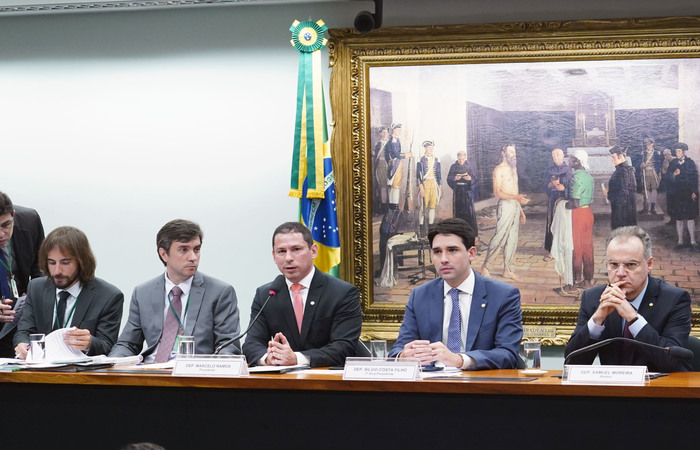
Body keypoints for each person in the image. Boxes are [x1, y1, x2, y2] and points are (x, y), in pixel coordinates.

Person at [388, 218, 522, 369]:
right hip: (430, 385)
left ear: (471, 253)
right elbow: (398, 349)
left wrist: (459, 360)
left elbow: (508, 355)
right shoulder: (419, 295)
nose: (443, 259)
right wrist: (403, 356)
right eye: (437, 252)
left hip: (481, 385)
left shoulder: (503, 295)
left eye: (452, 250)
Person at [109, 219, 240, 361]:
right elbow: (128, 344)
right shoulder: (142, 293)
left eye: (196, 249)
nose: (193, 257)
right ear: (164, 254)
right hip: (150, 372)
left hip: (195, 374)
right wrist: (110, 363)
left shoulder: (220, 292)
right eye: (184, 249)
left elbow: (228, 346)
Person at [565, 226, 691, 372]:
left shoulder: (674, 299)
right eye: (613, 265)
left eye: (630, 265)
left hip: (658, 391)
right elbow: (571, 363)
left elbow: (672, 362)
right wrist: (598, 318)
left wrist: (633, 318)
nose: (620, 273)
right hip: (613, 391)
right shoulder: (593, 298)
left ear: (649, 264)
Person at [243, 222, 362, 367]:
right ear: (274, 256)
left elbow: (344, 347)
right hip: (280, 384)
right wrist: (269, 358)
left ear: (313, 251)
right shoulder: (267, 294)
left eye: (296, 249)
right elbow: (251, 344)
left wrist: (297, 359)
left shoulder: (342, 293)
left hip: (326, 382)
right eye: (281, 251)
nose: (288, 258)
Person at [13, 226, 123, 358]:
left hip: (80, 375)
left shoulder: (109, 296)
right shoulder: (36, 288)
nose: (57, 271)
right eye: (52, 263)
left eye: (65, 263)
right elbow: (24, 331)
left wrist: (89, 343)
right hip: (39, 372)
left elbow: (108, 344)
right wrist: (22, 344)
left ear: (82, 261)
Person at [0, 192, 45, 358]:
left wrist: (35, 298)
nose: (1, 234)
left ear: (13, 215)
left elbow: (41, 268)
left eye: (6, 225)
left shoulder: (30, 221)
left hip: (20, 324)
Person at [480, 143, 530, 281]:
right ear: (503, 153)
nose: (513, 154)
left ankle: (508, 269)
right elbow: (497, 192)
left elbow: (515, 191)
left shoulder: (513, 169)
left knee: (512, 239)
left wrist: (521, 211)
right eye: (510, 152)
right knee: (500, 236)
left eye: (514, 152)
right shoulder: (498, 170)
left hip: (514, 205)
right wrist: (516, 198)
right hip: (505, 205)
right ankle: (486, 267)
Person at [566, 149, 595, 289]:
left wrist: (562, 204)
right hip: (588, 213)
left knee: (575, 247)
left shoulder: (576, 177)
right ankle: (588, 280)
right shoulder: (589, 177)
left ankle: (573, 281)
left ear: (577, 161)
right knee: (587, 247)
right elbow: (588, 202)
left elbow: (575, 203)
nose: (569, 160)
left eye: (571, 158)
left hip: (577, 214)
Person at [666, 142, 699, 250]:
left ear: (684, 152)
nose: (677, 153)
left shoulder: (690, 163)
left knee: (690, 217)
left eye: (679, 151)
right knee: (679, 218)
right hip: (677, 194)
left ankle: (693, 241)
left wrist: (694, 191)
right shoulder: (673, 163)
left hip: (688, 193)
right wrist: (673, 175)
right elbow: (667, 178)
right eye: (676, 151)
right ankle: (680, 241)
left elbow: (694, 178)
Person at [541, 148, 572, 261]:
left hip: (563, 200)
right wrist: (551, 184)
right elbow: (544, 186)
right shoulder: (549, 170)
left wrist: (563, 188)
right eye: (553, 155)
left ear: (563, 156)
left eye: (557, 154)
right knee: (552, 223)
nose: (555, 157)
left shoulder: (568, 170)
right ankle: (552, 250)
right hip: (552, 199)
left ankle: (563, 249)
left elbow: (571, 186)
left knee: (563, 224)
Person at [602, 146, 637, 229]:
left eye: (614, 157)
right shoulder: (623, 170)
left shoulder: (624, 171)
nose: (612, 160)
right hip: (623, 208)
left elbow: (623, 192)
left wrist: (608, 194)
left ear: (621, 156)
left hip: (622, 210)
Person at [447, 150, 478, 236]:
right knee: (458, 212)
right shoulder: (453, 167)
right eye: (459, 158)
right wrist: (454, 178)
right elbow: (448, 179)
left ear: (465, 157)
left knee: (469, 213)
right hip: (458, 192)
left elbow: (475, 179)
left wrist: (470, 179)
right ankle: (458, 233)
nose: (461, 160)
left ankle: (471, 234)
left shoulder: (469, 166)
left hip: (467, 192)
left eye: (462, 158)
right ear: (457, 157)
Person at [384, 123, 412, 210]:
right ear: (394, 130)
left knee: (394, 186)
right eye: (398, 130)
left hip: (395, 164)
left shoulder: (396, 139)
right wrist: (406, 155)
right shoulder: (393, 140)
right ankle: (394, 206)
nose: (399, 131)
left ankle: (393, 206)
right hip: (395, 165)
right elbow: (396, 154)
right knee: (396, 185)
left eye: (400, 130)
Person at [416, 140, 442, 228]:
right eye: (429, 148)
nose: (431, 149)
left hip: (434, 185)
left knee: (432, 206)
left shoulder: (436, 160)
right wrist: (421, 188)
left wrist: (440, 186)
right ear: (425, 148)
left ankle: (431, 226)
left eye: (432, 148)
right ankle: (421, 226)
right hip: (425, 185)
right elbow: (418, 176)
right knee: (423, 206)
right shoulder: (420, 160)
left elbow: (438, 174)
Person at [638, 138, 663, 215]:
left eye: (650, 144)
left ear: (653, 144)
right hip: (645, 173)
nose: (648, 145)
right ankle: (645, 208)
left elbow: (659, 164)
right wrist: (641, 166)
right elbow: (638, 163)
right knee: (646, 191)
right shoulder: (643, 154)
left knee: (654, 190)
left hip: (653, 173)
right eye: (647, 144)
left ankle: (652, 208)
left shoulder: (657, 153)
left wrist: (659, 173)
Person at [373, 125, 390, 214]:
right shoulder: (378, 144)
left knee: (390, 186)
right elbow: (375, 154)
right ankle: (384, 206)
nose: (384, 134)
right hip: (380, 165)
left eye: (386, 132)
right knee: (383, 186)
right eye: (382, 132)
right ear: (380, 133)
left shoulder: (391, 142)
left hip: (389, 165)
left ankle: (391, 206)